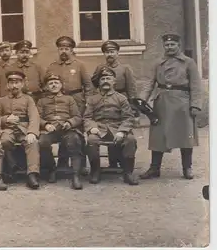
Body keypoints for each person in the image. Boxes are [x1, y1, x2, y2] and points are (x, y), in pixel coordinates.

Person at [139, 34, 203, 180]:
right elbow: (149, 82)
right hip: (162, 102)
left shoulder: (188, 62)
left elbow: (196, 85)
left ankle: (187, 168)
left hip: (182, 103)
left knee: (185, 136)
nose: (169, 47)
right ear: (164, 46)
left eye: (173, 44)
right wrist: (142, 99)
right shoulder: (158, 63)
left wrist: (195, 105)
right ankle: (154, 168)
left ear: (178, 45)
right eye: (167, 45)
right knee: (158, 136)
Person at [45, 36, 94, 169]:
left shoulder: (79, 65)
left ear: (72, 50)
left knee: (77, 132)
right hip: (59, 102)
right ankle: (62, 163)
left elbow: (88, 85)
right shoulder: (53, 66)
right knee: (62, 130)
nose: (64, 51)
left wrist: (88, 102)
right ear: (58, 50)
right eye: (61, 49)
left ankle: (81, 165)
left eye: (67, 49)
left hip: (77, 100)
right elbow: (47, 85)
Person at [84, 67, 139, 185]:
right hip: (100, 129)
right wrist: (92, 127)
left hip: (117, 128)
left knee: (130, 140)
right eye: (102, 79)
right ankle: (95, 171)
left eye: (108, 78)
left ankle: (128, 172)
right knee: (91, 140)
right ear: (99, 82)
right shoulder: (92, 99)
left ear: (114, 81)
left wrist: (122, 131)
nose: (105, 81)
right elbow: (87, 117)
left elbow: (128, 117)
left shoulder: (121, 98)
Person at [92, 40, 139, 168]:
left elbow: (132, 89)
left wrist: (134, 108)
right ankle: (113, 162)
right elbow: (94, 84)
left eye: (112, 52)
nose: (110, 54)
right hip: (105, 100)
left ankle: (124, 163)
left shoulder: (125, 68)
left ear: (117, 53)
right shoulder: (100, 68)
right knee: (108, 129)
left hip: (121, 101)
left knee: (121, 131)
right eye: (107, 52)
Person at [37, 73, 84, 190]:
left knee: (74, 140)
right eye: (51, 83)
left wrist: (69, 123)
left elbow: (77, 117)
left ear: (61, 85)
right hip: (50, 130)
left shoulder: (69, 99)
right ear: (47, 87)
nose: (53, 85)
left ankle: (75, 175)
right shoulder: (42, 101)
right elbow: (37, 117)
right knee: (42, 142)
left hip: (66, 129)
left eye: (56, 83)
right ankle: (52, 169)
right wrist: (45, 124)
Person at [0, 70, 40, 189]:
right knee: (4, 141)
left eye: (17, 82)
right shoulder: (1, 100)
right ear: (7, 85)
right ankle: (12, 168)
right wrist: (6, 119)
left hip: (24, 129)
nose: (14, 85)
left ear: (22, 84)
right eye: (11, 83)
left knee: (32, 142)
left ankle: (32, 174)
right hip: (8, 130)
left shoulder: (28, 99)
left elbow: (34, 116)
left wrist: (32, 132)